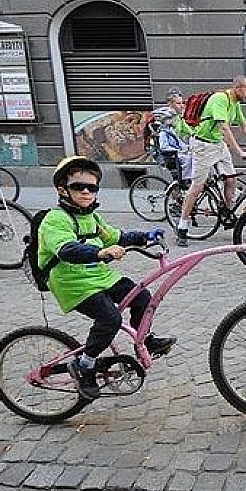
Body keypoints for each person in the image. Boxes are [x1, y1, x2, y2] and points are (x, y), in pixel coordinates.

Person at [39, 156, 175, 400]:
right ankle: (86, 365)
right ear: (62, 189)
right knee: (109, 318)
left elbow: (115, 236)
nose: (86, 192)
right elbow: (66, 249)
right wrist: (100, 252)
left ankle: (144, 340)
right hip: (71, 281)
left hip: (99, 275)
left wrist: (144, 236)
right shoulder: (55, 219)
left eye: (91, 187)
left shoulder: (91, 217)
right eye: (78, 186)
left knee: (141, 297)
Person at [176, 76, 246, 246]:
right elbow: (224, 127)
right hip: (203, 145)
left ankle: (227, 213)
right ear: (237, 88)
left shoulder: (235, 104)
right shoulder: (220, 99)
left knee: (231, 179)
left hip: (219, 144)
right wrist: (240, 151)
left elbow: (245, 127)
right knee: (197, 186)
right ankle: (182, 226)